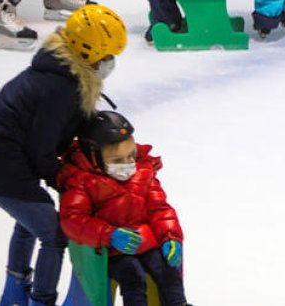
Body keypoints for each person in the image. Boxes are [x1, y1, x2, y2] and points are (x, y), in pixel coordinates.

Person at [0, 4, 127, 306]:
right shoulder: (60, 87)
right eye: (108, 56)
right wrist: (68, 181)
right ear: (88, 52)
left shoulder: (62, 72)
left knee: (31, 219)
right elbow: (42, 149)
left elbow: (59, 130)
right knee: (54, 234)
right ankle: (41, 300)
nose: (111, 63)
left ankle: (14, 290)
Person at [57, 111, 188, 306]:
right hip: (112, 251)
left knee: (168, 272)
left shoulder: (143, 172)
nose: (128, 165)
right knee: (133, 277)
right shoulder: (82, 181)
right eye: (117, 161)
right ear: (94, 157)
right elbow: (73, 220)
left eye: (131, 156)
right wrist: (109, 235)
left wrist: (170, 237)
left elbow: (160, 209)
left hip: (145, 243)